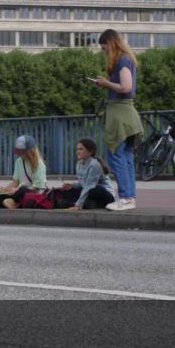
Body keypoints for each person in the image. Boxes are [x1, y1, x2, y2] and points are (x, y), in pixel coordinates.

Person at [92, 29, 143, 211]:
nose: (104, 50)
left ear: (111, 44)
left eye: (104, 47)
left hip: (120, 114)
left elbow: (126, 87)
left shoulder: (122, 60)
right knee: (126, 157)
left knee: (116, 156)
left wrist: (106, 83)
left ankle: (126, 197)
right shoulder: (128, 59)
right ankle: (129, 197)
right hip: (127, 114)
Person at [0, 135, 47, 210]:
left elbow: (37, 188)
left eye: (21, 152)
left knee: (22, 190)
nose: (19, 154)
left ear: (29, 151)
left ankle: (9, 203)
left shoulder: (39, 164)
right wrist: (5, 189)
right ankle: (11, 202)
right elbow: (15, 182)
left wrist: (17, 190)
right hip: (17, 192)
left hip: (31, 192)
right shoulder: (19, 161)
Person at [57, 138, 116, 210]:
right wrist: (71, 186)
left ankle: (80, 204)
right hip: (89, 193)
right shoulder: (79, 164)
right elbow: (82, 183)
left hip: (106, 196)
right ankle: (89, 204)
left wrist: (78, 205)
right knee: (66, 192)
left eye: (81, 149)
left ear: (90, 152)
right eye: (77, 149)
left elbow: (89, 186)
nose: (78, 152)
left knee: (94, 189)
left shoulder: (94, 165)